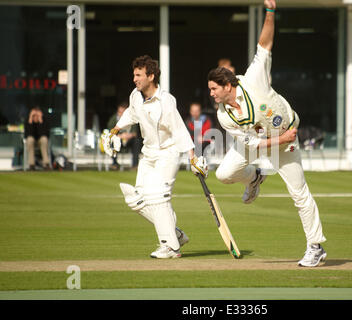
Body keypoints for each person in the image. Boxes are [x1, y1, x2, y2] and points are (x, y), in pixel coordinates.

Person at [207, 0, 327, 267]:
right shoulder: (224, 115)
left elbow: (264, 44)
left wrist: (270, 12)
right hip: (263, 141)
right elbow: (252, 143)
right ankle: (255, 176)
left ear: (227, 85)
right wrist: (276, 141)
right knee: (224, 174)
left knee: (299, 194)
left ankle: (315, 247)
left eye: (214, 89)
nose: (211, 94)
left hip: (287, 139)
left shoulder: (252, 79)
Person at [101, 55, 207, 259]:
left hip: (169, 152)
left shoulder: (166, 101)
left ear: (151, 76)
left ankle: (171, 247)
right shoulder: (135, 95)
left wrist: (193, 158)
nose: (135, 79)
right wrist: (115, 129)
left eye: (138, 75)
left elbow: (179, 130)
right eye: (134, 75)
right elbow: (132, 114)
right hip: (148, 153)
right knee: (136, 199)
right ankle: (175, 234)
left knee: (158, 197)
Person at [106, 102, 143, 169]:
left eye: (123, 112)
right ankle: (114, 164)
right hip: (118, 140)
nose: (121, 114)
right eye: (120, 112)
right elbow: (110, 132)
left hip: (129, 140)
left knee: (137, 141)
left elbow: (135, 133)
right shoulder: (113, 119)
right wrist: (120, 136)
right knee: (112, 142)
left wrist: (128, 135)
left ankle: (135, 165)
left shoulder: (132, 119)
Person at [24, 107, 51, 171]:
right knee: (30, 139)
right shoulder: (28, 122)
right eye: (34, 115)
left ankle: (46, 163)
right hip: (32, 142)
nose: (35, 117)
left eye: (37, 115)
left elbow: (45, 134)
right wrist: (30, 119)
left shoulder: (44, 122)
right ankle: (31, 164)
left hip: (41, 142)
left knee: (44, 139)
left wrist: (40, 121)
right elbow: (27, 134)